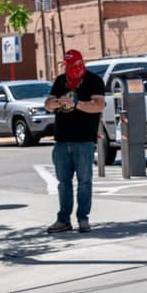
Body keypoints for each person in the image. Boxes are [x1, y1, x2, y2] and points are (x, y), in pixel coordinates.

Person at [43, 49, 106, 234]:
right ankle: (63, 219)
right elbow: (47, 103)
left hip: (84, 140)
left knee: (84, 181)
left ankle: (83, 218)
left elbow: (99, 105)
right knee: (64, 182)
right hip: (62, 140)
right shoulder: (61, 81)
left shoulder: (93, 81)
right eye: (67, 66)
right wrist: (54, 104)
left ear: (80, 64)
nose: (69, 70)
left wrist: (76, 104)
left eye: (72, 66)